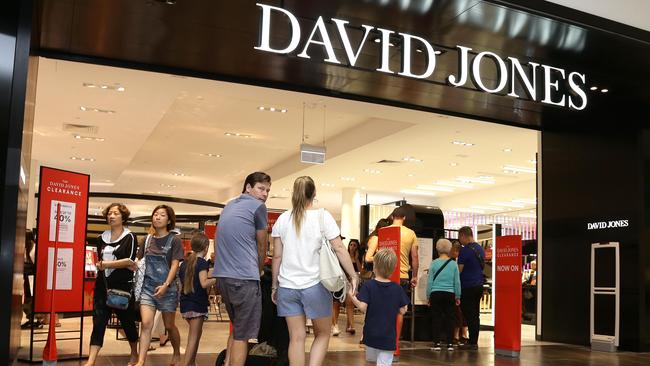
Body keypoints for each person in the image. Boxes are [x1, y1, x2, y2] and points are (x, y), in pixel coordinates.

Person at [271, 176, 358, 366]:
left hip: (287, 287)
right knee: (323, 334)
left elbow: (277, 257)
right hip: (315, 286)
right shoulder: (322, 216)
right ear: (314, 194)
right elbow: (339, 248)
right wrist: (353, 275)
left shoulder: (282, 219)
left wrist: (274, 286)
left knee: (296, 338)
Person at [213, 172, 271, 366]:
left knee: (237, 328)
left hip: (223, 277)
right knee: (243, 335)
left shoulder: (229, 206)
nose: (265, 194)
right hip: (244, 278)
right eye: (261, 188)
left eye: (268, 190)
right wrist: (260, 269)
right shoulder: (258, 207)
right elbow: (262, 244)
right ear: (248, 187)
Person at [84, 203, 139, 366]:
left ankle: (134, 353)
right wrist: (112, 264)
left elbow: (129, 260)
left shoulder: (130, 236)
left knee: (127, 321)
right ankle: (91, 360)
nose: (111, 216)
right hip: (103, 285)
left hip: (122, 286)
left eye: (115, 213)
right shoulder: (101, 237)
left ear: (123, 217)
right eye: (109, 213)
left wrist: (107, 265)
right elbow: (100, 260)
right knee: (98, 322)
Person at [135, 205, 184, 366]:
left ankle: (176, 352)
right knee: (146, 323)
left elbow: (175, 265)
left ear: (169, 220)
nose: (157, 217)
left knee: (169, 326)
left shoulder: (175, 240)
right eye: (155, 214)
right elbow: (139, 261)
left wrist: (166, 285)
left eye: (162, 215)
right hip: (148, 288)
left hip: (167, 289)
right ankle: (141, 360)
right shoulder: (147, 239)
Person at [348, 249, 409, 366]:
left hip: (371, 334)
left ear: (374, 266)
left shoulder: (368, 286)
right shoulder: (397, 288)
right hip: (388, 336)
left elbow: (362, 307)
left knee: (371, 361)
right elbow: (403, 310)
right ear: (393, 268)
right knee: (384, 363)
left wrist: (352, 297)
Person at [179, 232, 216, 366]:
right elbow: (204, 283)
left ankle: (192, 363)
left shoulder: (185, 263)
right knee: (193, 339)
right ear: (206, 247)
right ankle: (186, 363)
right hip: (197, 305)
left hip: (185, 304)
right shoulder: (202, 263)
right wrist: (217, 279)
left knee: (196, 334)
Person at [427, 239, 461, 351]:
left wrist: (428, 296)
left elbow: (430, 281)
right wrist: (458, 296)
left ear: (437, 249)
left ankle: (436, 343)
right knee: (450, 318)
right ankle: (450, 343)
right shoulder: (453, 264)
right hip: (450, 293)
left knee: (436, 317)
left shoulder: (434, 263)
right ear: (449, 249)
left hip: (436, 293)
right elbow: (457, 282)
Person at [457, 226, 486, 350]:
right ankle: (474, 340)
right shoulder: (480, 249)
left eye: (460, 238)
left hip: (467, 286)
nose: (460, 241)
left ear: (463, 235)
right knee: (475, 314)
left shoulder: (465, 250)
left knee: (469, 314)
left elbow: (459, 270)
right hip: (479, 286)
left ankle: (472, 342)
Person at [332, 239, 361, 336]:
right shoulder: (344, 255)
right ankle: (336, 325)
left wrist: (356, 259)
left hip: (353, 281)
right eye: (351, 244)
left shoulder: (357, 257)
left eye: (354, 245)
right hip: (343, 280)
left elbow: (360, 270)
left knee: (350, 302)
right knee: (337, 303)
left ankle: (351, 325)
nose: (352, 247)